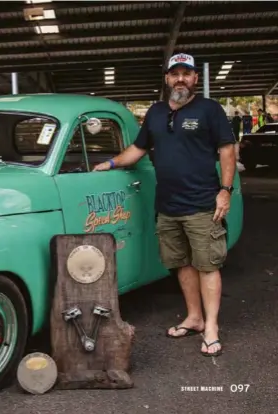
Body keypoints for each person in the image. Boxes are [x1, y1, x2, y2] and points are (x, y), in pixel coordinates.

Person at [93, 53, 237, 357]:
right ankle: (194, 317)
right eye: (175, 74)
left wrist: (225, 190)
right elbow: (138, 149)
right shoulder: (156, 113)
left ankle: (211, 326)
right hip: (168, 205)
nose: (181, 79)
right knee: (180, 263)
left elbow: (227, 151)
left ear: (196, 78)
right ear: (167, 78)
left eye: (187, 73)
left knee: (207, 265)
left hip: (202, 203)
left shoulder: (210, 110)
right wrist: (108, 163)